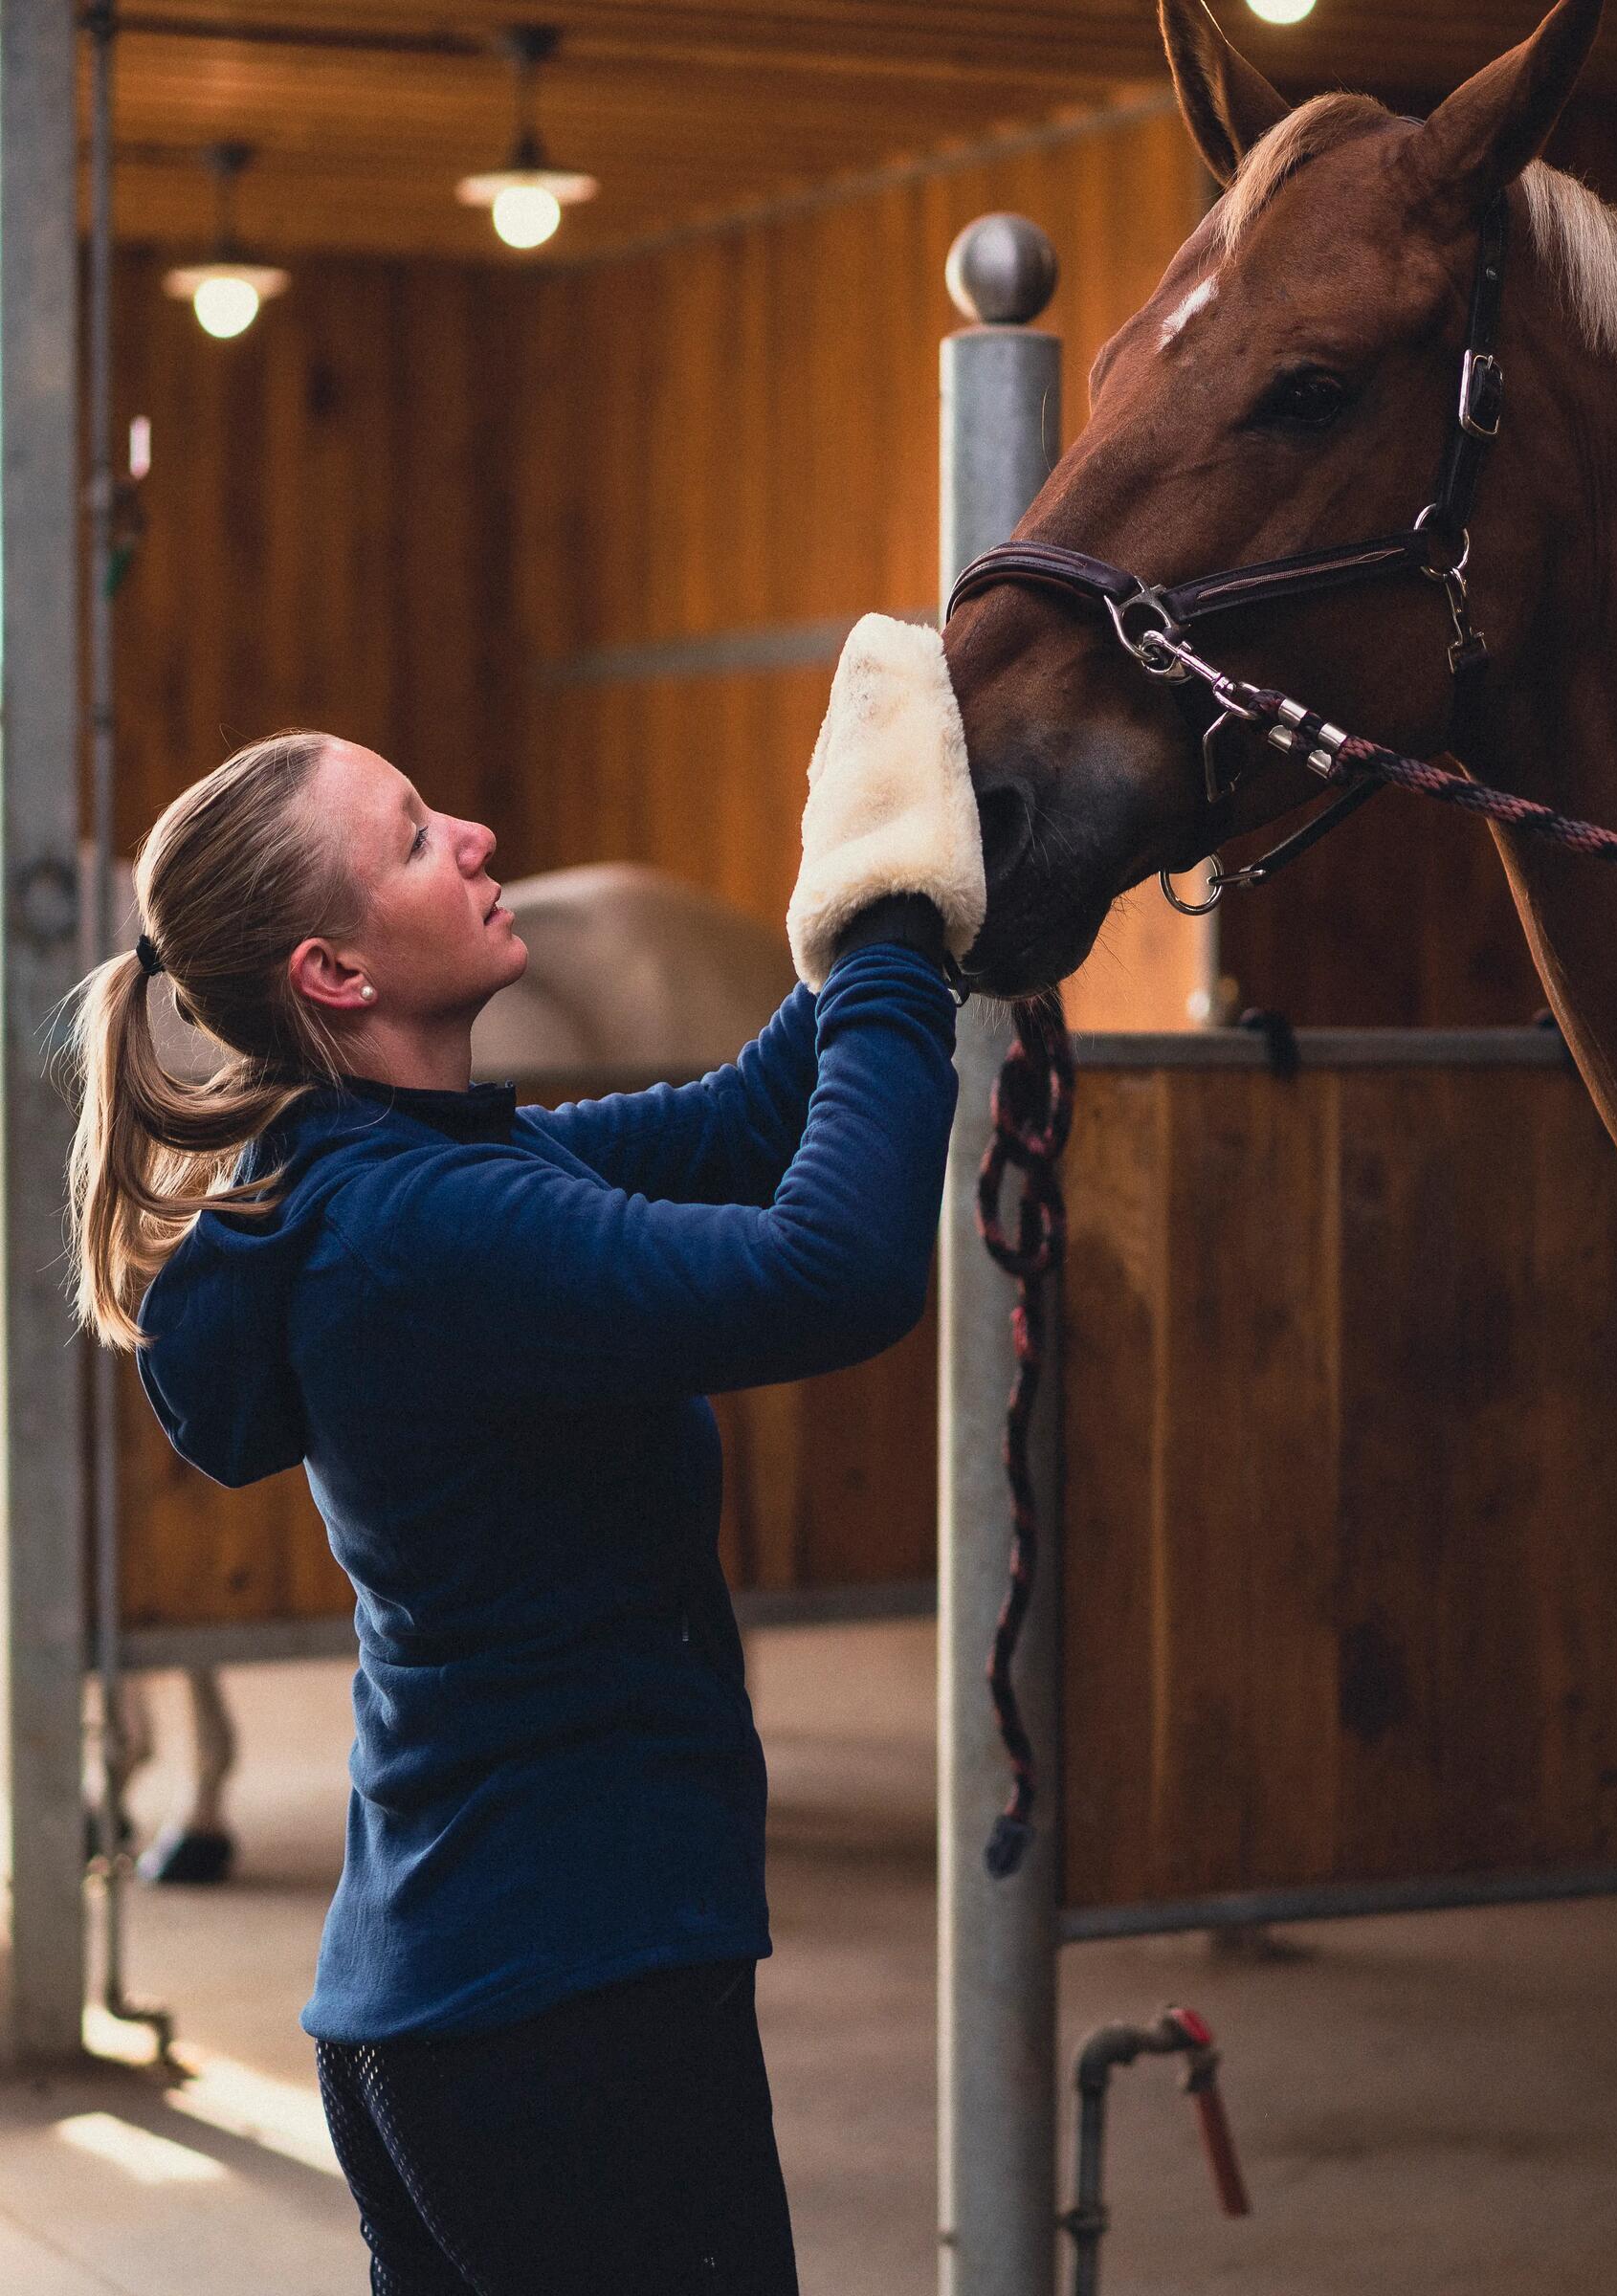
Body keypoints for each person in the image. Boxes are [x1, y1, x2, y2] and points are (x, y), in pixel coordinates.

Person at [61, 613, 984, 2295]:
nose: (476, 836)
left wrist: (876, 886)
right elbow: (828, 1274)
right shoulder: (425, 1231)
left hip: (460, 2004)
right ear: (335, 977)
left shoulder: (393, 1175)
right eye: (413, 837)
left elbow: (735, 1120)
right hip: (567, 2015)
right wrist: (910, 944)